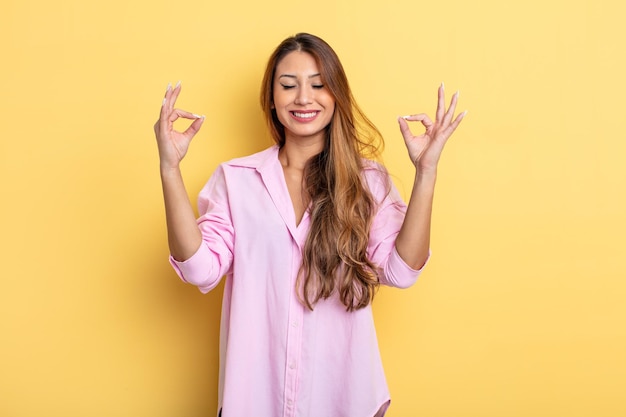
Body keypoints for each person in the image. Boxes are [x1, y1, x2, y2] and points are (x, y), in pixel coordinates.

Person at [154, 33, 465, 417]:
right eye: (288, 85)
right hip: (254, 401)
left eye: (319, 84)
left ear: (336, 95)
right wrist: (169, 168)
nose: (304, 97)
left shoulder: (368, 180)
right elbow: (200, 269)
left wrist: (426, 173)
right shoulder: (236, 180)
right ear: (271, 98)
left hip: (346, 400)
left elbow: (401, 271)